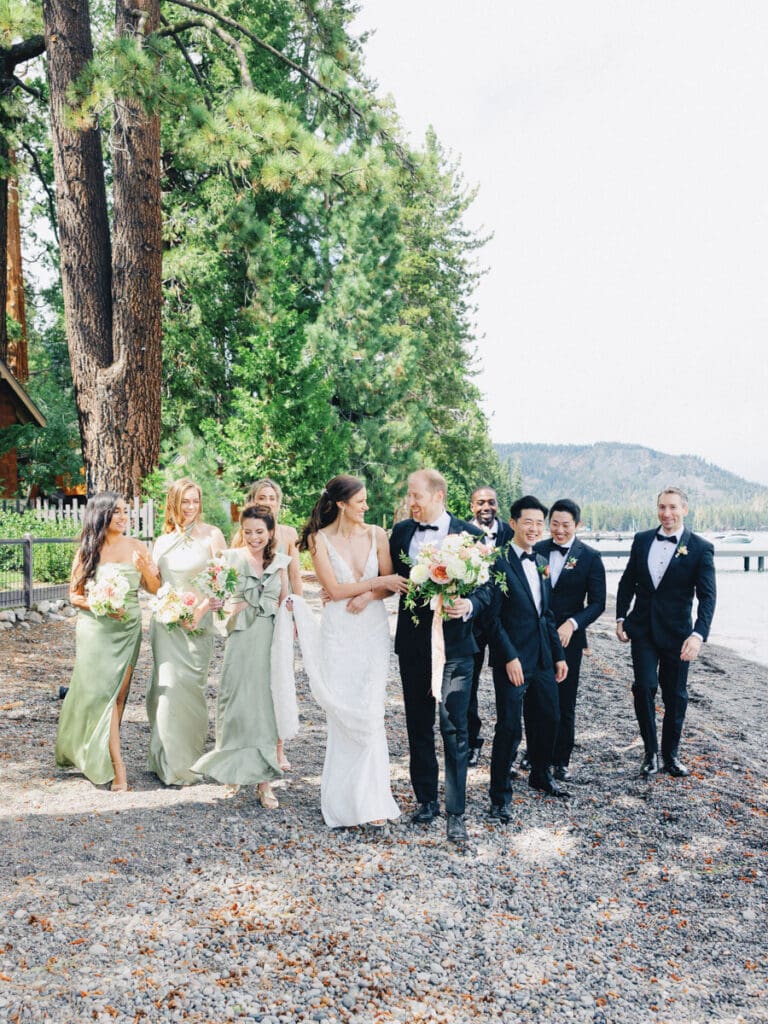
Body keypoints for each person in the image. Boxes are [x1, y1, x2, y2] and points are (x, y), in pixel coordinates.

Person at [389, 469, 492, 844]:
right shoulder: (400, 533)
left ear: (438, 496)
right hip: (413, 646)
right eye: (410, 495)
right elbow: (390, 580)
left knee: (454, 727)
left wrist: (468, 604)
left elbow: (488, 594)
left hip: (457, 648)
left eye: (416, 495)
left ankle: (456, 812)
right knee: (417, 724)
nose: (411, 502)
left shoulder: (472, 537)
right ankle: (425, 801)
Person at [298, 475, 405, 828]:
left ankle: (372, 802)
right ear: (342, 504)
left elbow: (391, 586)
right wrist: (376, 584)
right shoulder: (318, 539)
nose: (366, 507)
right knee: (344, 711)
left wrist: (368, 593)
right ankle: (343, 802)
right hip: (339, 633)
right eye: (360, 501)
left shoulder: (378, 534)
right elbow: (332, 588)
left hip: (372, 631)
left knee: (371, 709)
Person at [56, 493, 160, 791]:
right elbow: (75, 595)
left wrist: (144, 569)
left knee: (117, 697)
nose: (123, 517)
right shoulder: (88, 550)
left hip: (127, 630)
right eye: (116, 512)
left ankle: (100, 751)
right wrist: (99, 604)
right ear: (101, 515)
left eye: (125, 512)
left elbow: (155, 589)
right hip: (95, 632)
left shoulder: (137, 547)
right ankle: (119, 769)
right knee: (101, 695)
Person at [192, 505, 290, 807]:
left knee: (265, 707)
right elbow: (215, 596)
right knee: (235, 702)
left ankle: (264, 782)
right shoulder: (230, 559)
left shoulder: (281, 561)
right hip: (241, 638)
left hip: (269, 639)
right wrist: (220, 606)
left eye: (259, 532)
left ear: (271, 532)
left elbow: (285, 599)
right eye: (247, 532)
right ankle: (232, 771)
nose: (253, 537)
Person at [616, 487, 716, 778]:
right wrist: (621, 616)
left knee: (675, 695)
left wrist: (698, 635)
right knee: (644, 687)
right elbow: (627, 581)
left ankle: (671, 755)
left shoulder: (700, 547)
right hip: (643, 629)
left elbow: (707, 597)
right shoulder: (642, 539)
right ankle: (650, 753)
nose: (666, 513)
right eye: (662, 507)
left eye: (672, 507)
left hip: (678, 635)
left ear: (684, 509)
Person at [487, 495, 569, 820]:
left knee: (549, 718)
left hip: (543, 658)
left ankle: (540, 774)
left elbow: (546, 614)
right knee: (509, 727)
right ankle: (499, 797)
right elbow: (491, 619)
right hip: (512, 660)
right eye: (528, 522)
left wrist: (559, 656)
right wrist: (508, 656)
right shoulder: (499, 563)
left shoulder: (541, 561)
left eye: (539, 523)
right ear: (514, 524)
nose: (534, 528)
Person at [146, 478, 226, 786]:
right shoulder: (162, 541)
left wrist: (202, 609)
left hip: (197, 622)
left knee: (190, 688)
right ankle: (166, 760)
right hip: (166, 624)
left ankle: (189, 759)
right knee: (165, 689)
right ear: (173, 503)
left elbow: (222, 581)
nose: (190, 507)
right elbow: (155, 585)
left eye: (195, 501)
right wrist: (145, 572)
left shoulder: (212, 536)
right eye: (185, 502)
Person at [534, 498, 606, 781]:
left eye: (566, 525)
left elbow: (598, 603)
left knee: (565, 699)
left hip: (569, 638)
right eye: (554, 524)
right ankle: (537, 753)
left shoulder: (590, 557)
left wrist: (573, 624)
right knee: (537, 697)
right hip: (537, 635)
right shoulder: (537, 550)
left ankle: (560, 758)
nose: (559, 531)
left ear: (577, 525)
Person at [244, 478, 302, 771]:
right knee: (254, 679)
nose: (267, 501)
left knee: (279, 679)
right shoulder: (246, 532)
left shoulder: (289, 534)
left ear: (279, 502)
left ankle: (279, 748)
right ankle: (251, 742)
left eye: (272, 497)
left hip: (280, 613)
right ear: (253, 500)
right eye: (261, 497)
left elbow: (295, 577)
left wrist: (297, 614)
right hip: (252, 613)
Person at [467, 486, 513, 768]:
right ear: (472, 506)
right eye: (481, 502)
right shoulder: (460, 534)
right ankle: (472, 742)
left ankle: (508, 745)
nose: (487, 507)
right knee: (468, 685)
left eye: (492, 502)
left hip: (505, 621)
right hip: (471, 620)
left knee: (509, 685)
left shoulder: (511, 532)